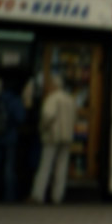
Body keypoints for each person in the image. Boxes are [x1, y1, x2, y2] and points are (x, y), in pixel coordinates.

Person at [29, 74, 76, 205]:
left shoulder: (52, 99)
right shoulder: (69, 99)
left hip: (52, 136)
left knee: (45, 165)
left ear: (53, 86)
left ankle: (38, 195)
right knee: (61, 166)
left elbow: (47, 115)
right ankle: (57, 196)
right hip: (66, 136)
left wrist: (42, 128)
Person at [0, 77, 25, 202]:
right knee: (9, 167)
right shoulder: (14, 100)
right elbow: (20, 118)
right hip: (10, 137)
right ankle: (9, 197)